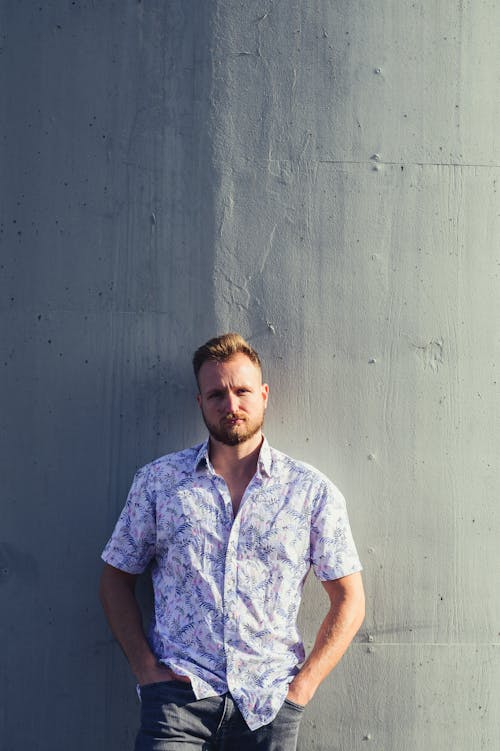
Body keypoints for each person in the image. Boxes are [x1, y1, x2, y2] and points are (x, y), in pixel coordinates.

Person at [100, 333, 365, 751]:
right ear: (200, 402)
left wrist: (301, 689)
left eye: (242, 391)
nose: (231, 405)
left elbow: (349, 598)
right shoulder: (160, 483)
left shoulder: (310, 492)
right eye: (216, 394)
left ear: (263, 395)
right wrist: (146, 672)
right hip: (177, 704)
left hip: (268, 707)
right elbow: (115, 579)